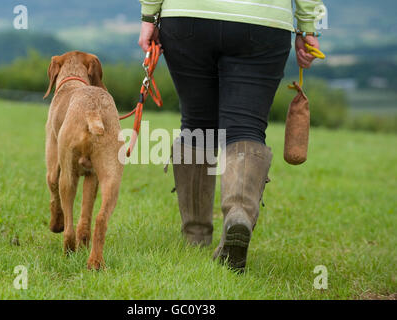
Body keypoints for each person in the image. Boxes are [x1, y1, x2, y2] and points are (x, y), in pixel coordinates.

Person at [138, 0, 325, 271]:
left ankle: (196, 236)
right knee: (246, 128)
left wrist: (149, 16)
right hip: (262, 21)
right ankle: (238, 215)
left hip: (188, 16)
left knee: (197, 125)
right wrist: (308, 28)